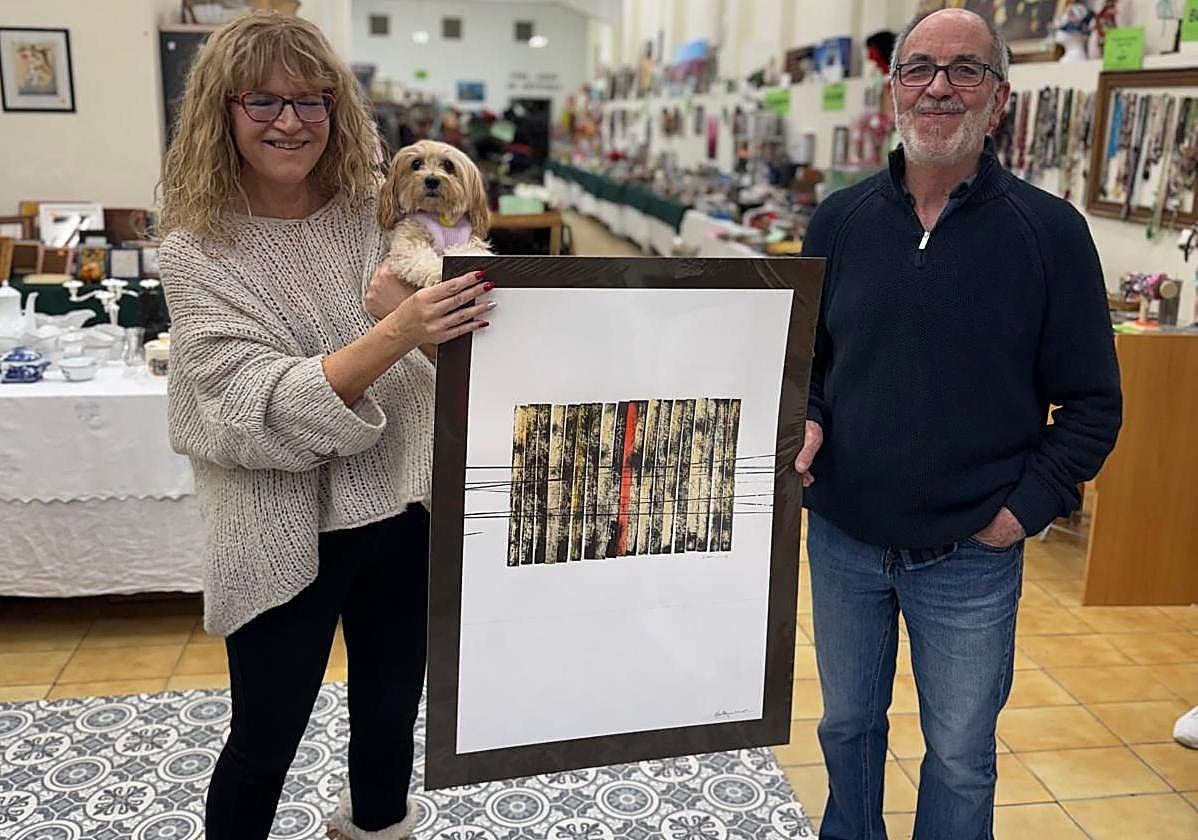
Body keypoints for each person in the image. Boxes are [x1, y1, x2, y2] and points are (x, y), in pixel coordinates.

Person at [157, 12, 493, 840]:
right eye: (265, 100)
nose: (291, 121)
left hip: (401, 507)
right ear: (221, 112)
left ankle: (378, 829)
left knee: (387, 722)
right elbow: (250, 403)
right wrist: (397, 330)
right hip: (276, 526)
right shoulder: (195, 250)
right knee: (265, 738)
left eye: (313, 100)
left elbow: (463, 345)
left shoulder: (376, 212)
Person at [793, 9, 1121, 839]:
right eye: (920, 69)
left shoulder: (1050, 234)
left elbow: (1092, 405)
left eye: (965, 70)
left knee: (961, 756)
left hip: (969, 557)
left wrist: (1020, 512)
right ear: (893, 89)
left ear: (1000, 97)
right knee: (846, 729)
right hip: (843, 541)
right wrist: (809, 418)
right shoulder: (838, 221)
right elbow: (812, 368)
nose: (940, 86)